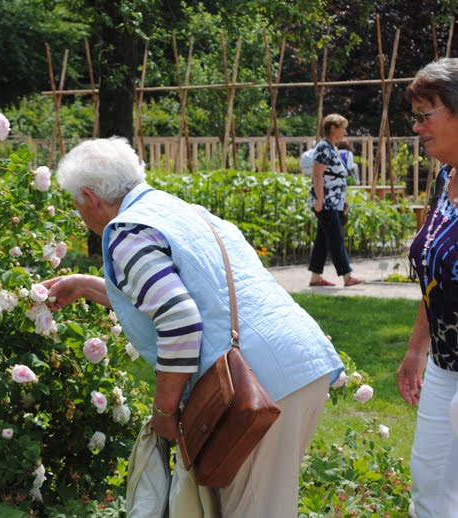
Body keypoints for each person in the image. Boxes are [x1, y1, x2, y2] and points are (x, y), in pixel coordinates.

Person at [42, 137, 344, 517]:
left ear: (90, 196)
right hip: (296, 367)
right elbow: (195, 293)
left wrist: (165, 413)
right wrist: (85, 285)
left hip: (254, 388)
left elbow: (179, 320)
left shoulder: (127, 230)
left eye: (77, 204)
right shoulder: (179, 210)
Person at [397, 57, 458, 518]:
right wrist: (417, 348)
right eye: (414, 116)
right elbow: (435, 277)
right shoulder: (445, 178)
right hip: (443, 363)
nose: (417, 127)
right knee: (429, 485)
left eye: (426, 114)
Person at [307, 113, 363, 287]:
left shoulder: (332, 148)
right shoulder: (324, 147)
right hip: (327, 203)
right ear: (333, 128)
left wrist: (343, 201)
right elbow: (317, 174)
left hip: (334, 202)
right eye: (343, 128)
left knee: (323, 240)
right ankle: (347, 277)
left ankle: (315, 278)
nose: (345, 131)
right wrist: (320, 200)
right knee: (336, 238)